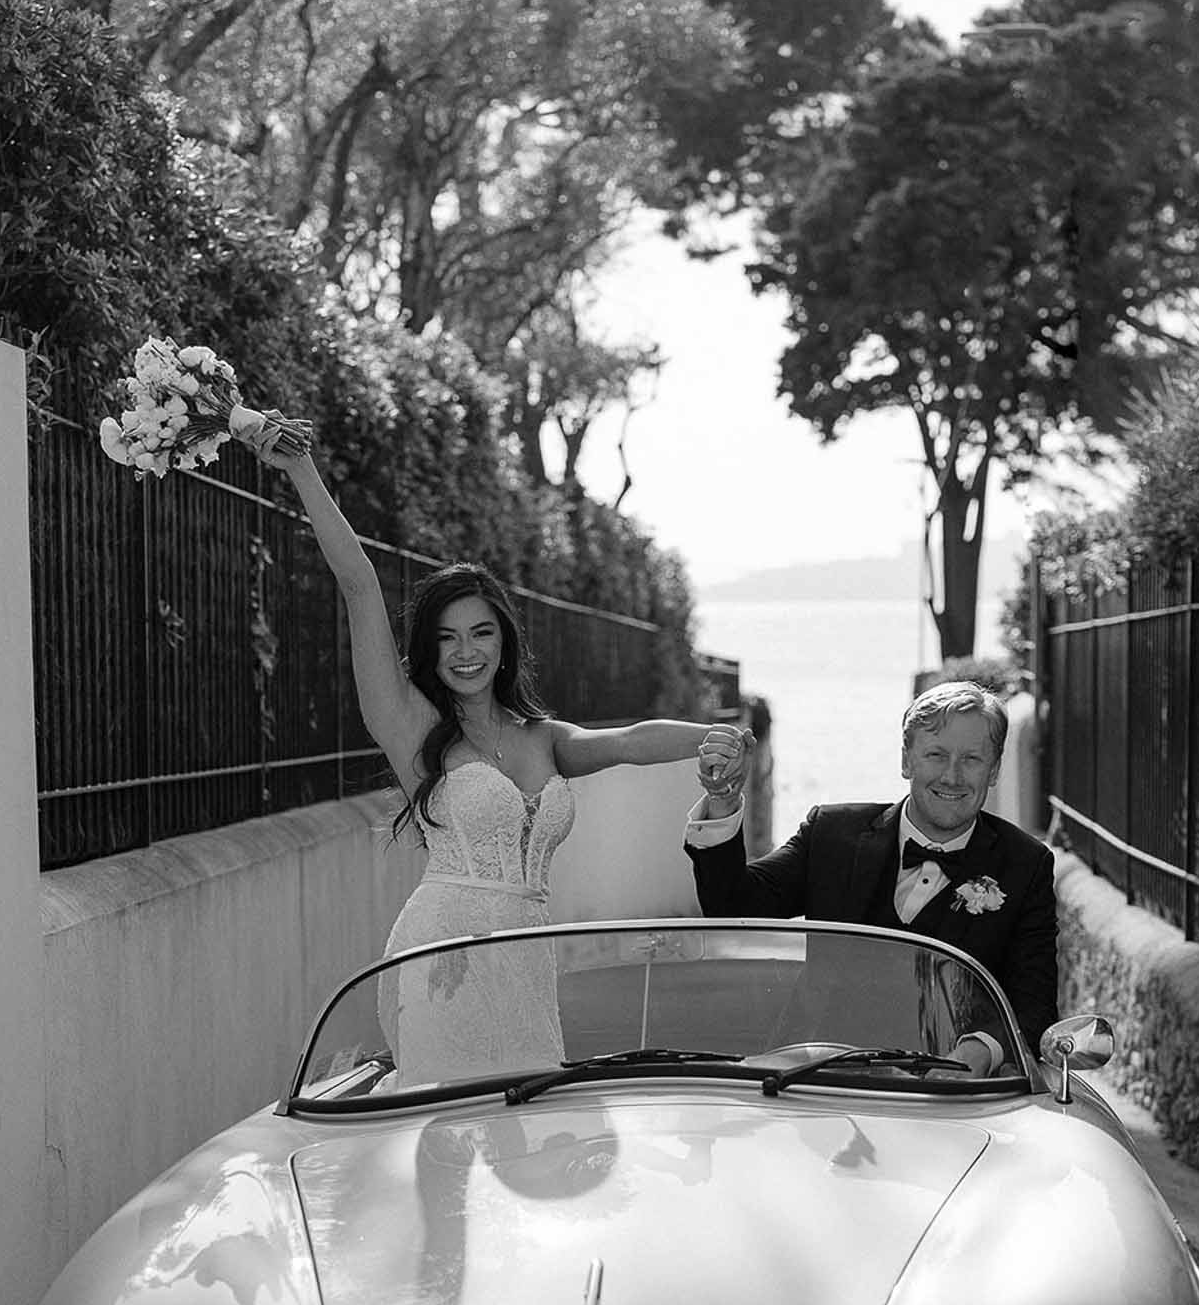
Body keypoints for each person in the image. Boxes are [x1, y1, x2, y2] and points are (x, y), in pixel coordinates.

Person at [238, 413, 750, 1086]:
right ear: (429, 648)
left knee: (526, 1143)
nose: (466, 652)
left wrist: (717, 738)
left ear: (503, 639)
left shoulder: (543, 736)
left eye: (481, 633)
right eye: (447, 638)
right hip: (439, 957)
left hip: (526, 965)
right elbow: (360, 582)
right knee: (443, 1138)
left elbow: (626, 742)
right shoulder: (411, 726)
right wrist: (299, 469)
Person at [686, 679, 1058, 1070]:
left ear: (995, 769)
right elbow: (733, 904)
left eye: (972, 759)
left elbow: (1033, 1006)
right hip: (817, 1085)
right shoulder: (831, 834)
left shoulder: (1026, 865)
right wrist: (723, 802)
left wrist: (979, 1052)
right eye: (935, 754)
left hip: (950, 1101)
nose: (952, 776)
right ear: (906, 760)